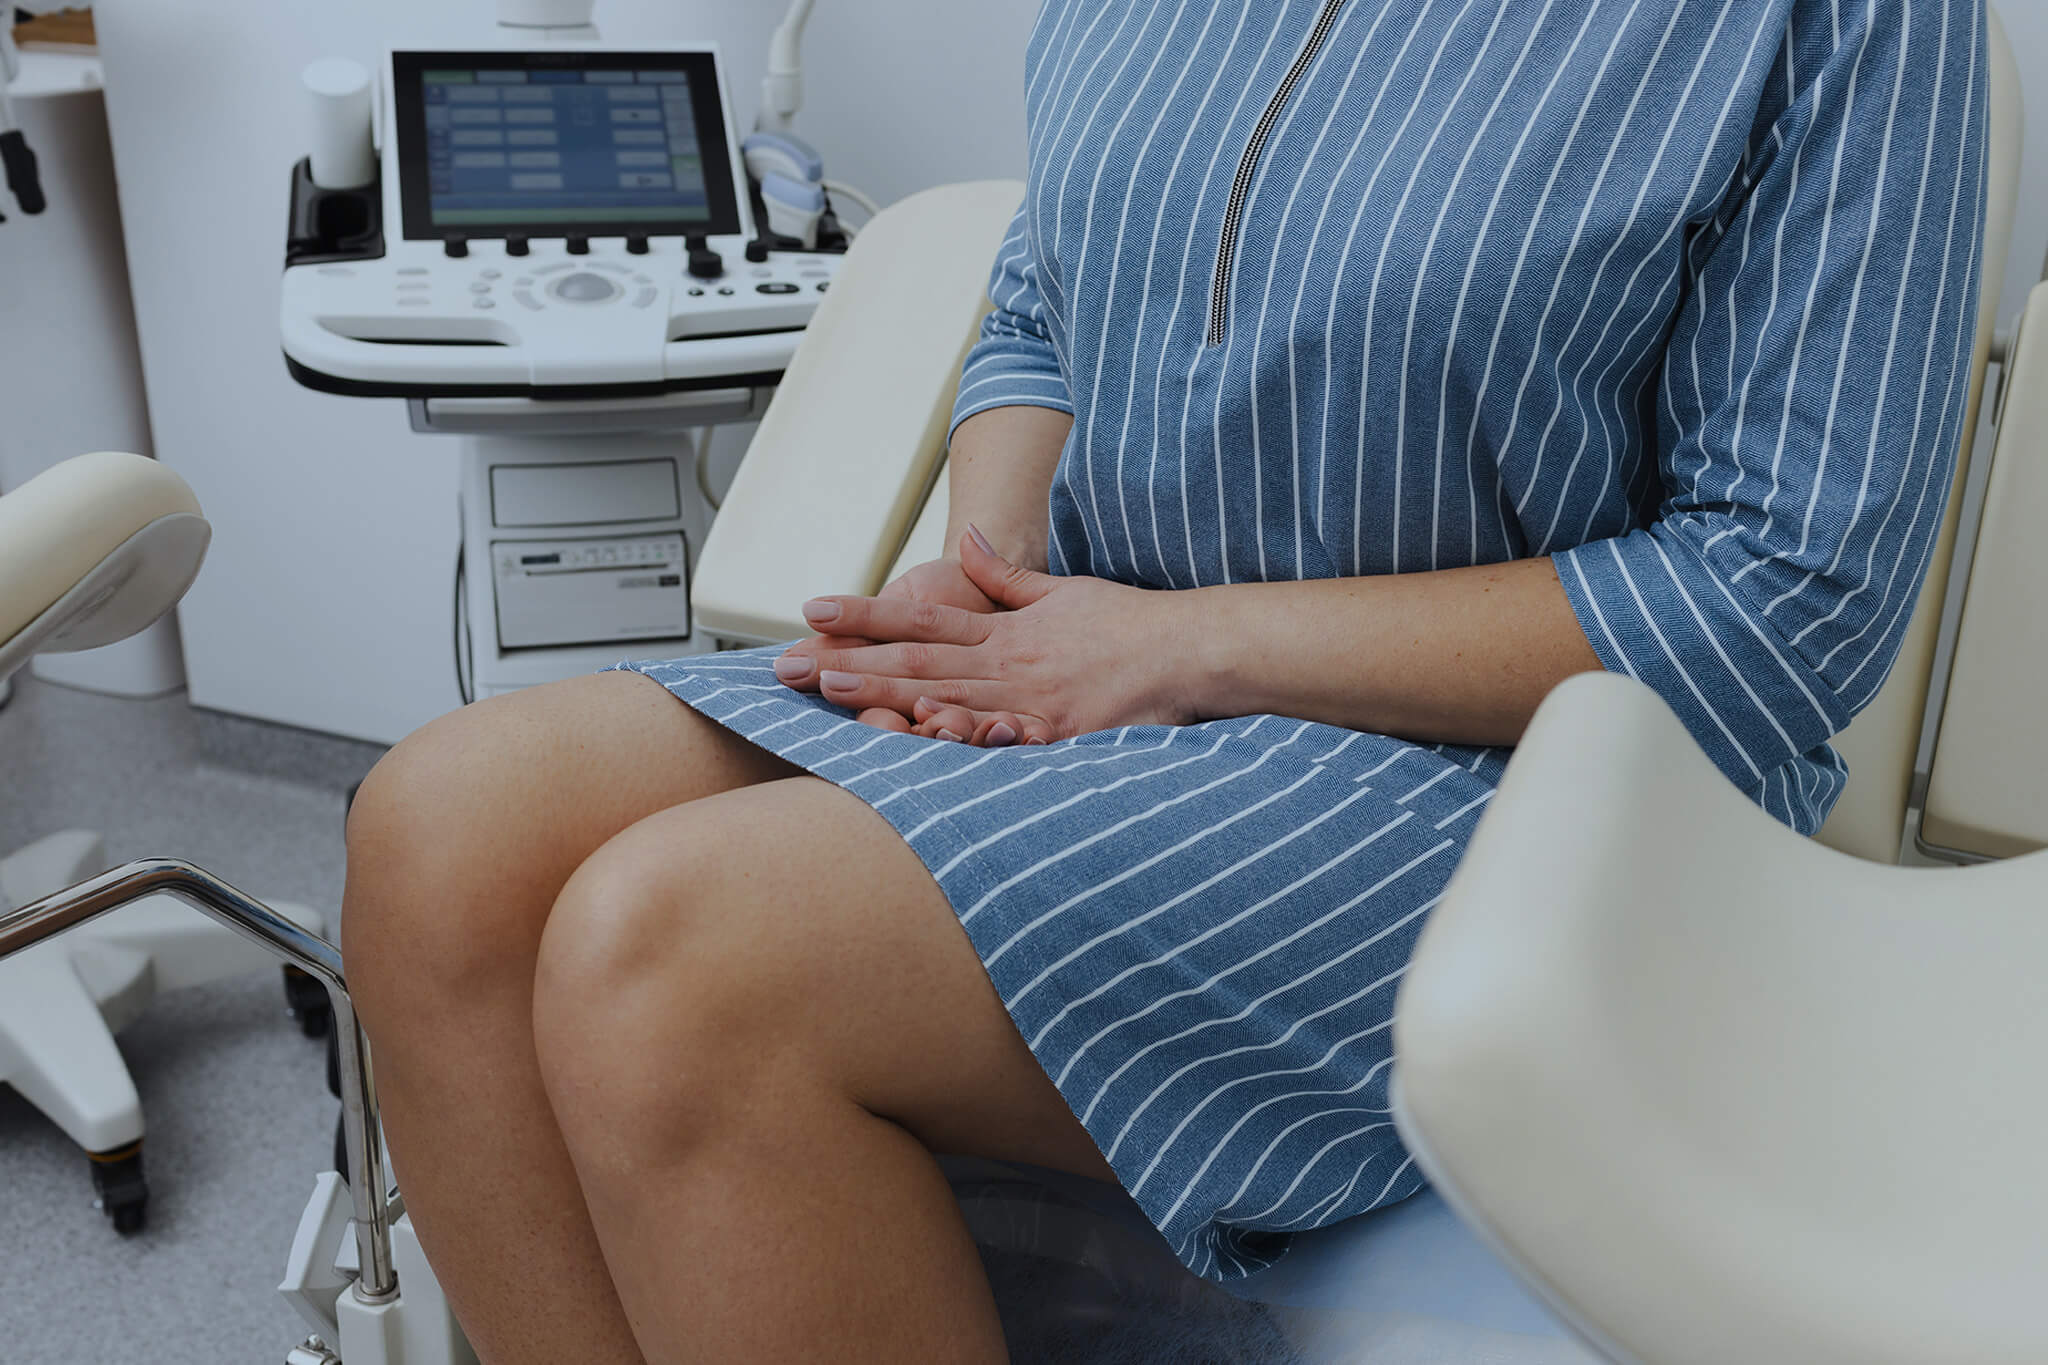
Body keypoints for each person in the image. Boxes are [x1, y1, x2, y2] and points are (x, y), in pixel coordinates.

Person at [341, 1, 1987, 1360]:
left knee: (675, 962)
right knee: (440, 834)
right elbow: (1045, 303)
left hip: (1530, 775)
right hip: (1106, 662)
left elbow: (1788, 599)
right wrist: (985, 580)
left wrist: (1178, 647)